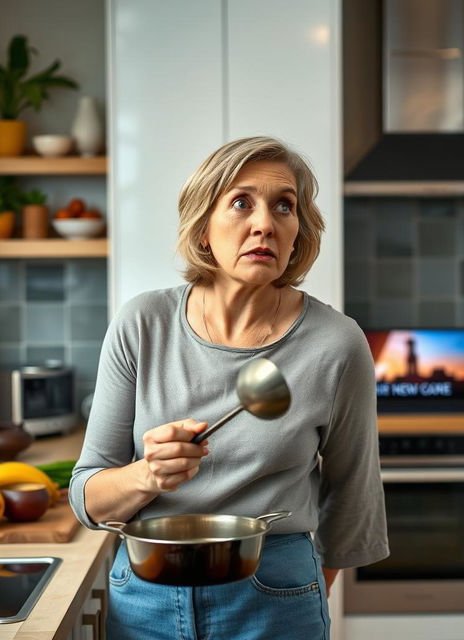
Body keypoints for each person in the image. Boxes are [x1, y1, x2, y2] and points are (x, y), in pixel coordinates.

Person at [69, 136, 389, 640]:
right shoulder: (142, 324)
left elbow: (353, 497)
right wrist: (149, 476)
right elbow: (87, 496)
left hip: (275, 595)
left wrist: (301, 593)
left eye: (284, 205)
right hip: (146, 595)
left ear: (297, 232)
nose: (265, 222)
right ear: (202, 230)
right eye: (241, 202)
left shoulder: (336, 343)